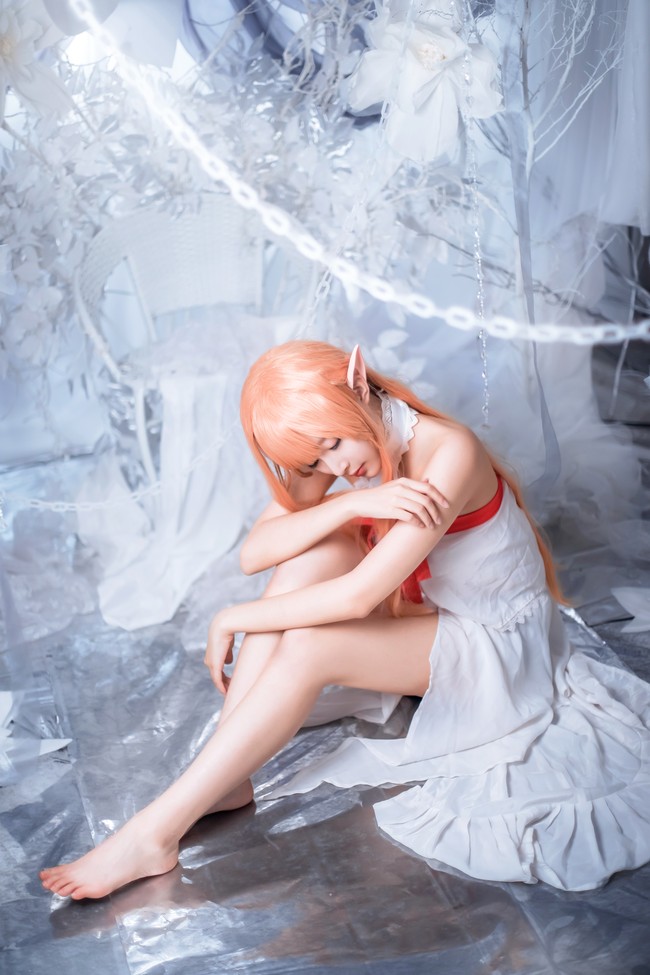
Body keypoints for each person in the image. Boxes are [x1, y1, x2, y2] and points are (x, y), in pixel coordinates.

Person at [40, 340, 650, 899]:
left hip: (498, 647)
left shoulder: (450, 451)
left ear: (359, 385)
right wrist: (352, 504)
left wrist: (233, 615)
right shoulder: (346, 463)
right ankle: (226, 781)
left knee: (308, 644)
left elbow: (359, 598)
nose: (335, 465)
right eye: (317, 458)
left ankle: (155, 833)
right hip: (436, 620)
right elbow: (258, 552)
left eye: (333, 444)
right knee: (312, 553)